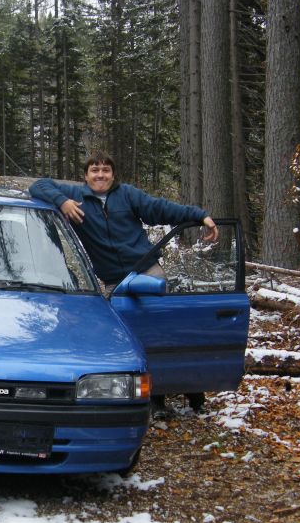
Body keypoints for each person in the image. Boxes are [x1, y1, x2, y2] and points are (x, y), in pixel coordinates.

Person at [29, 151, 217, 413]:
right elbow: (38, 185)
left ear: (113, 175)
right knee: (124, 339)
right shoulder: (76, 196)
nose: (100, 175)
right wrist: (62, 202)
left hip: (147, 272)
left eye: (106, 170)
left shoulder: (128, 195)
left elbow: (161, 208)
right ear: (86, 176)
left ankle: (187, 392)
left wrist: (200, 216)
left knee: (160, 335)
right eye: (95, 170)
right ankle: (143, 392)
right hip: (114, 283)